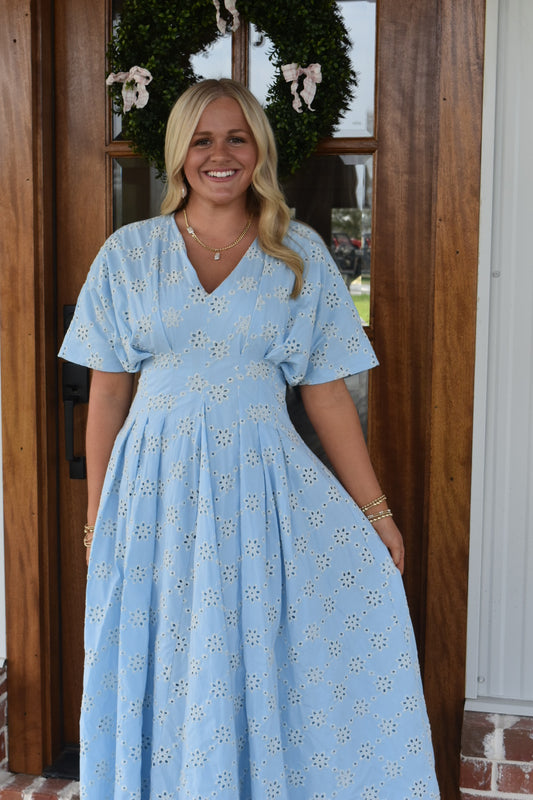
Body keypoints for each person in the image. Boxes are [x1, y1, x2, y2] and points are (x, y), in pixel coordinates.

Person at [60, 78, 439, 799]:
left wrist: (376, 512)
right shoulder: (129, 253)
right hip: (153, 494)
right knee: (167, 647)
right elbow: (107, 395)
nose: (220, 154)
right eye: (202, 139)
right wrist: (96, 519)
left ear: (259, 149)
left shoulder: (297, 254)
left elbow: (325, 394)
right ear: (178, 154)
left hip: (261, 489)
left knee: (243, 652)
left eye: (236, 137)